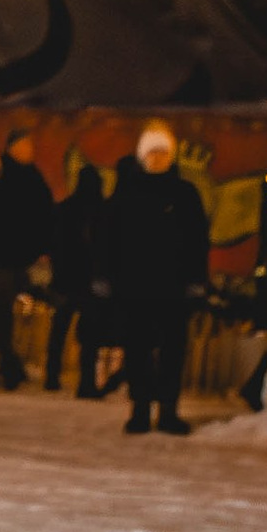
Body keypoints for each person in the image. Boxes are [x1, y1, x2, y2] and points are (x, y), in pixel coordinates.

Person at [96, 123, 211, 435]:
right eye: (152, 153)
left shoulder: (185, 195)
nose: (157, 159)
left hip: (173, 287)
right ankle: (141, 409)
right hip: (134, 287)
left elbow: (198, 240)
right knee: (137, 351)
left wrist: (196, 281)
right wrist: (105, 276)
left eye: (162, 153)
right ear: (142, 157)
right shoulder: (127, 194)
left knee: (173, 350)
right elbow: (108, 238)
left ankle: (169, 410)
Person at [0, 125, 56, 391]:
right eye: (24, 146)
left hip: (26, 258)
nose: (29, 151)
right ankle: (8, 365)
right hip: (1, 257)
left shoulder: (33, 177)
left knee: (4, 313)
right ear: (11, 148)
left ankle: (11, 364)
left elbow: (46, 215)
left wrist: (44, 249)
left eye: (30, 146)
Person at [43, 156, 109, 394]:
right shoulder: (101, 212)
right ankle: (86, 381)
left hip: (64, 279)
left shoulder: (64, 209)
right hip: (89, 281)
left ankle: (51, 376)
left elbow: (53, 244)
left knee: (59, 330)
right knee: (89, 335)